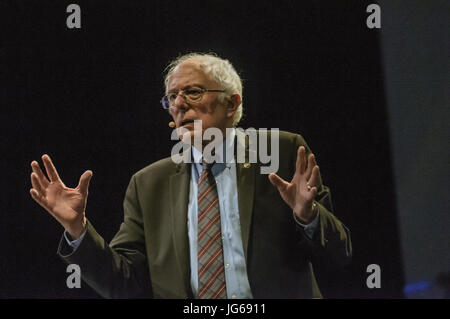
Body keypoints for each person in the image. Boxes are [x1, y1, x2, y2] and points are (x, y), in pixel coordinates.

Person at [29, 53, 351, 299]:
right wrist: (77, 230)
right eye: (171, 97)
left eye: (193, 92)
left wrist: (308, 216)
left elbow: (338, 254)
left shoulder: (279, 152)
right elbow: (125, 284)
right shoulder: (148, 184)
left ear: (232, 103)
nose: (179, 104)